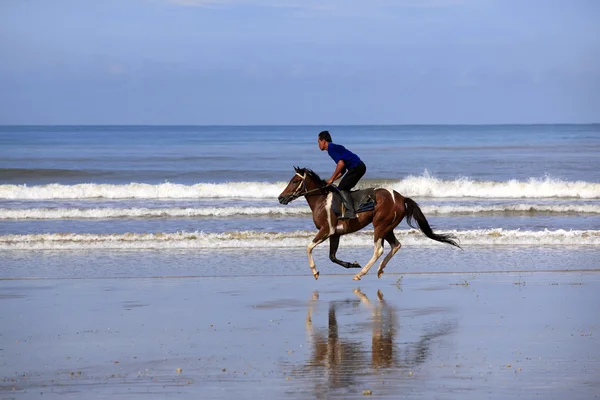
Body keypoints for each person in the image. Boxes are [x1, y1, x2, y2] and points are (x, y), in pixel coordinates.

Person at [318, 130, 366, 219]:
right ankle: (353, 207)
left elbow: (341, 164)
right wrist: (332, 180)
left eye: (318, 141)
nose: (318, 144)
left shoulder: (331, 148)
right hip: (358, 167)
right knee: (342, 188)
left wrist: (332, 179)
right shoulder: (333, 147)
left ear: (324, 140)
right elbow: (342, 171)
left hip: (357, 167)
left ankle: (351, 212)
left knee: (342, 189)